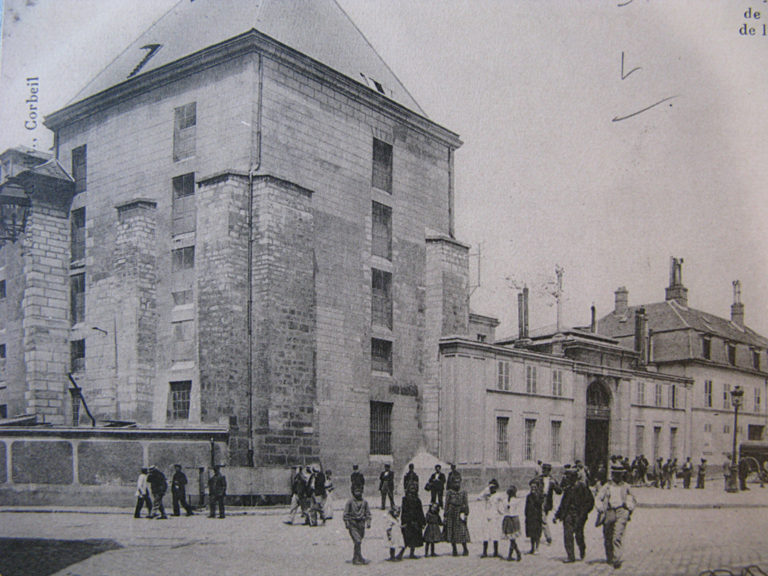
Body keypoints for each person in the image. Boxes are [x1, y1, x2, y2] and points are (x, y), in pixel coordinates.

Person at [596, 464, 636, 569]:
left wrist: (629, 507)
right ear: (612, 474)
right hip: (609, 511)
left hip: (622, 512)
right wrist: (600, 508)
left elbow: (632, 499)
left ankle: (617, 559)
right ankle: (609, 557)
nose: (617, 477)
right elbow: (598, 498)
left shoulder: (626, 486)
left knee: (617, 536)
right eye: (615, 474)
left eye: (619, 474)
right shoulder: (607, 486)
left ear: (622, 475)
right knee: (608, 535)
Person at [554, 467, 594, 563]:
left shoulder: (583, 487)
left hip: (579, 515)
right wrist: (557, 515)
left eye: (569, 477)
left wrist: (584, 513)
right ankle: (570, 556)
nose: (567, 479)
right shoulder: (568, 489)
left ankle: (582, 548)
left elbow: (590, 502)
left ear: (574, 477)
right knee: (567, 535)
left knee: (579, 535)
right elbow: (563, 504)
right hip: (568, 515)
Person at [343, 485, 372, 565]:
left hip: (361, 524)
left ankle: (357, 557)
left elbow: (368, 513)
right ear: (353, 492)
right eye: (356, 491)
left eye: (359, 491)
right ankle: (357, 558)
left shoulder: (365, 502)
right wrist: (347, 523)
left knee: (358, 542)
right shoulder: (350, 502)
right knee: (357, 541)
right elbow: (345, 514)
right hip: (353, 524)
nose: (358, 493)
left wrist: (368, 522)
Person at [477, 478, 506, 558]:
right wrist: (486, 491)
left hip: (495, 516)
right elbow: (478, 497)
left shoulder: (498, 495)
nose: (491, 489)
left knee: (495, 533)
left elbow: (503, 504)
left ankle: (495, 552)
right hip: (486, 515)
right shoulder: (486, 495)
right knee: (486, 534)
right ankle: (484, 552)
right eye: (490, 487)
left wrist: (501, 511)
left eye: (493, 487)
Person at [443, 474, 470, 556]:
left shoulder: (463, 492)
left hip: (460, 512)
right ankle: (454, 549)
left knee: (462, 531)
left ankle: (465, 548)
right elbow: (446, 504)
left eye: (458, 482)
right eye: (455, 482)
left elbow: (466, 503)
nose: (457, 484)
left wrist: (466, 514)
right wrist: (445, 515)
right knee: (452, 531)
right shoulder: (449, 493)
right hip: (451, 513)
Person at [536, 463, 561, 545]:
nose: (544, 471)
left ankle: (539, 535)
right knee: (543, 519)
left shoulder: (552, 480)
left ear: (549, 471)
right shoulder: (539, 479)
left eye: (546, 470)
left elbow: (559, 491)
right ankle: (548, 537)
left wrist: (554, 485)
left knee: (542, 518)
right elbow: (531, 484)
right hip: (540, 500)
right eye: (543, 470)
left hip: (548, 501)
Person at [400, 482, 426, 558]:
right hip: (408, 521)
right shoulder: (405, 500)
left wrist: (422, 521)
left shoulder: (418, 500)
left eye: (414, 488)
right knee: (406, 538)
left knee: (414, 538)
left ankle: (412, 553)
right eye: (411, 488)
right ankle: (401, 553)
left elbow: (420, 511)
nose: (413, 490)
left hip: (416, 521)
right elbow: (404, 511)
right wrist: (404, 521)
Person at [502, 485, 522, 562]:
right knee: (512, 538)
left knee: (512, 538)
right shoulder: (505, 500)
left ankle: (515, 553)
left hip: (513, 518)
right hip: (509, 518)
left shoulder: (516, 501)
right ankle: (515, 553)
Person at [525, 478, 544, 554]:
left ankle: (537, 548)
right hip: (530, 517)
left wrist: (535, 495)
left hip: (537, 517)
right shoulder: (528, 496)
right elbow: (526, 507)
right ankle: (532, 548)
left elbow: (539, 503)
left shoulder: (540, 495)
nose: (533, 489)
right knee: (531, 533)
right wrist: (526, 515)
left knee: (537, 533)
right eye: (531, 487)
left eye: (534, 487)